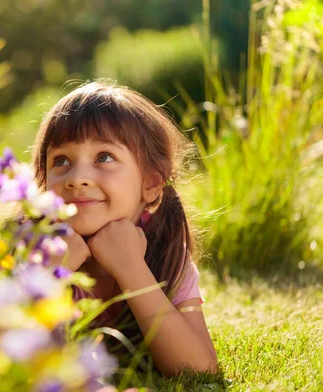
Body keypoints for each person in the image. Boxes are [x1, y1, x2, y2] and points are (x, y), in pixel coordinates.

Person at [32, 81, 218, 376]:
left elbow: (198, 369)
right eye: (61, 160)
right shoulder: (31, 247)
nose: (77, 177)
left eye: (104, 157)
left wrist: (131, 269)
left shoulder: (165, 248)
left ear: (151, 183)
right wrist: (47, 277)